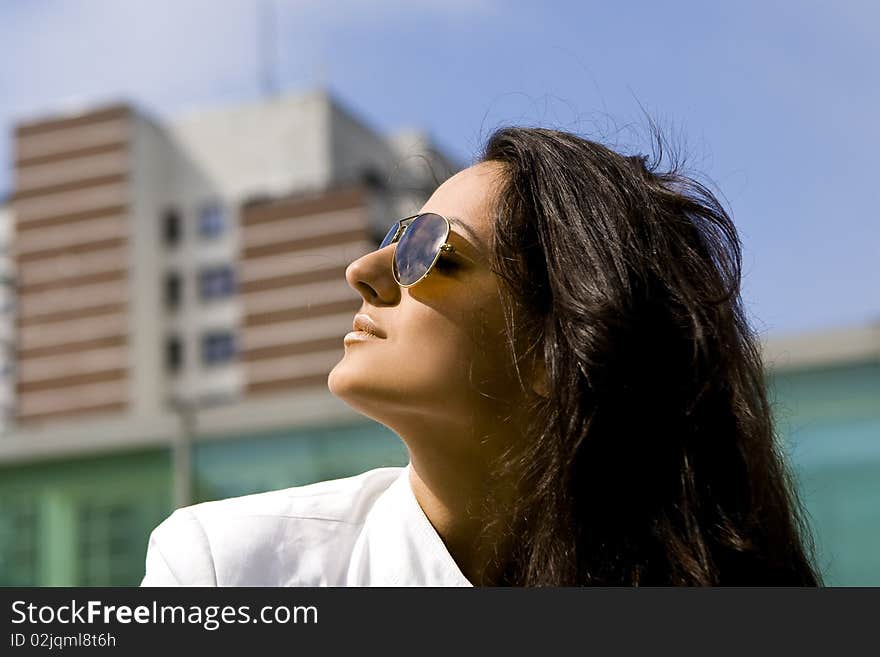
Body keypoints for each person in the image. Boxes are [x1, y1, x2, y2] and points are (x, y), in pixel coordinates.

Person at [141, 126, 823, 587]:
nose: (363, 269)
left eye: (430, 249)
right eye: (395, 233)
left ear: (563, 349)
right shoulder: (223, 572)